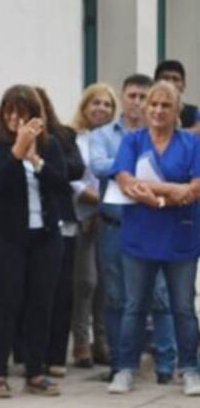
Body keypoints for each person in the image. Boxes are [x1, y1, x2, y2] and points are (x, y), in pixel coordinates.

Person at [108, 81, 200, 396]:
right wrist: (172, 190)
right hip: (140, 236)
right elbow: (125, 180)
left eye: (166, 105)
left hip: (180, 236)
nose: (159, 111)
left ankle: (189, 369)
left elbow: (196, 188)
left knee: (183, 307)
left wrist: (155, 195)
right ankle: (125, 368)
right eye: (154, 105)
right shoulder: (133, 141)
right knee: (134, 305)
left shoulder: (191, 143)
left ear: (177, 111)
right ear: (146, 109)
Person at [0, 85, 70, 398]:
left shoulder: (50, 145)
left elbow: (61, 184)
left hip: (45, 236)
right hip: (4, 238)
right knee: (4, 305)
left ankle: (35, 371)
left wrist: (36, 161)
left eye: (24, 114)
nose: (17, 120)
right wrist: (17, 153)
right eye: (11, 113)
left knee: (41, 304)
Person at [91, 74, 176, 384]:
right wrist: (131, 163)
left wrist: (125, 170)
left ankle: (166, 364)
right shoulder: (103, 134)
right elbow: (98, 165)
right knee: (116, 297)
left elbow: (173, 169)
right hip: (115, 224)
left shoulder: (163, 135)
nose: (138, 103)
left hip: (155, 224)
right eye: (133, 96)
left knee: (160, 296)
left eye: (144, 97)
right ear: (122, 98)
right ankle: (120, 363)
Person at [35, 87, 86, 378]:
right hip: (30, 224)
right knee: (35, 292)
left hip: (62, 221)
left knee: (62, 290)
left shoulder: (63, 136)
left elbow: (75, 169)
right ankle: (31, 354)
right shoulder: (9, 140)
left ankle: (56, 355)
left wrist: (43, 159)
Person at [69, 83, 118, 368]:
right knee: (85, 282)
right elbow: (73, 178)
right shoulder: (75, 138)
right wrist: (96, 202)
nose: (101, 108)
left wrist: (104, 208)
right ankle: (80, 341)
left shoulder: (115, 138)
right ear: (85, 106)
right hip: (81, 216)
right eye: (96, 102)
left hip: (108, 217)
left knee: (106, 284)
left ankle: (103, 341)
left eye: (107, 104)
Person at [154, 59, 200, 132]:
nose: (170, 83)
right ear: (155, 84)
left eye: (175, 79)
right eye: (165, 78)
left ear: (184, 85)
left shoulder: (194, 113)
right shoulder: (147, 110)